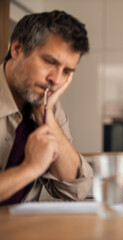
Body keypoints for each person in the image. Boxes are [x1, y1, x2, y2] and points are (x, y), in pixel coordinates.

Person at [0, 10, 93, 205]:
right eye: (49, 62)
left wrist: (46, 115)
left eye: (67, 71)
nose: (56, 80)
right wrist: (30, 168)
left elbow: (77, 190)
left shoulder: (47, 103)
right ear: (17, 48)